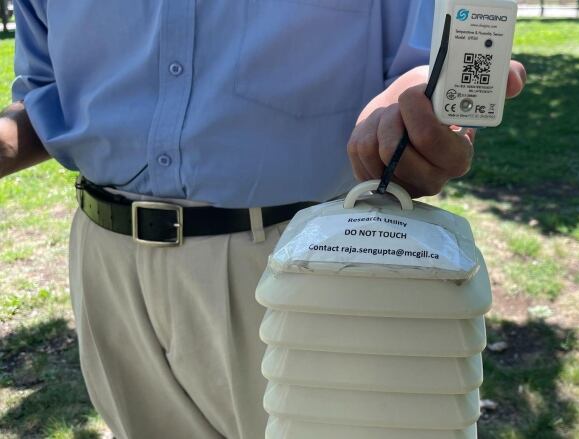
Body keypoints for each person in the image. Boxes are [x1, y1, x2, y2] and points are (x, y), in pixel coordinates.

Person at [0, 1, 526, 438]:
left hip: (300, 262)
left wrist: (418, 110)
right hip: (105, 262)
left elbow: (434, 66)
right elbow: (50, 96)